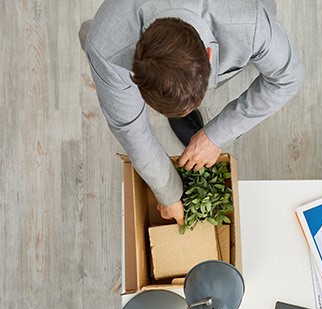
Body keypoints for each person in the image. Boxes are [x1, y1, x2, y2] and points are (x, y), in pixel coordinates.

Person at [81, 0, 304, 225]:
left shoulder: (249, 21)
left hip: (239, 22)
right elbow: (129, 127)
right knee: (102, 61)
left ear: (208, 54)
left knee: (267, 46)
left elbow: (288, 77)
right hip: (113, 42)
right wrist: (168, 192)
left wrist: (215, 136)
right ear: (135, 73)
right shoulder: (106, 44)